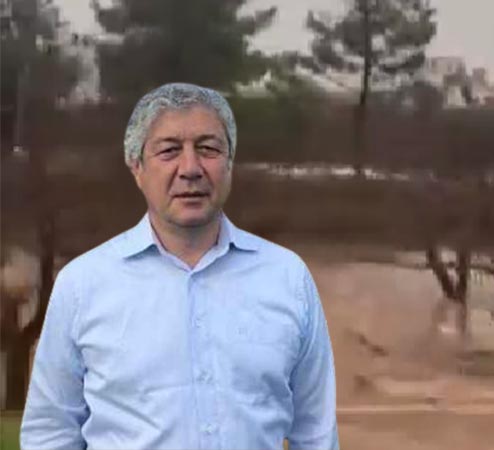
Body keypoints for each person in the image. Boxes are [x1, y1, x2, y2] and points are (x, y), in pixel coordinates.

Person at [20, 83, 339, 450]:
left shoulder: (287, 278)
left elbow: (315, 434)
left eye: (208, 149)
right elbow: (50, 432)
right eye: (169, 150)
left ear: (230, 163)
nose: (190, 168)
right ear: (136, 167)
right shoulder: (82, 285)